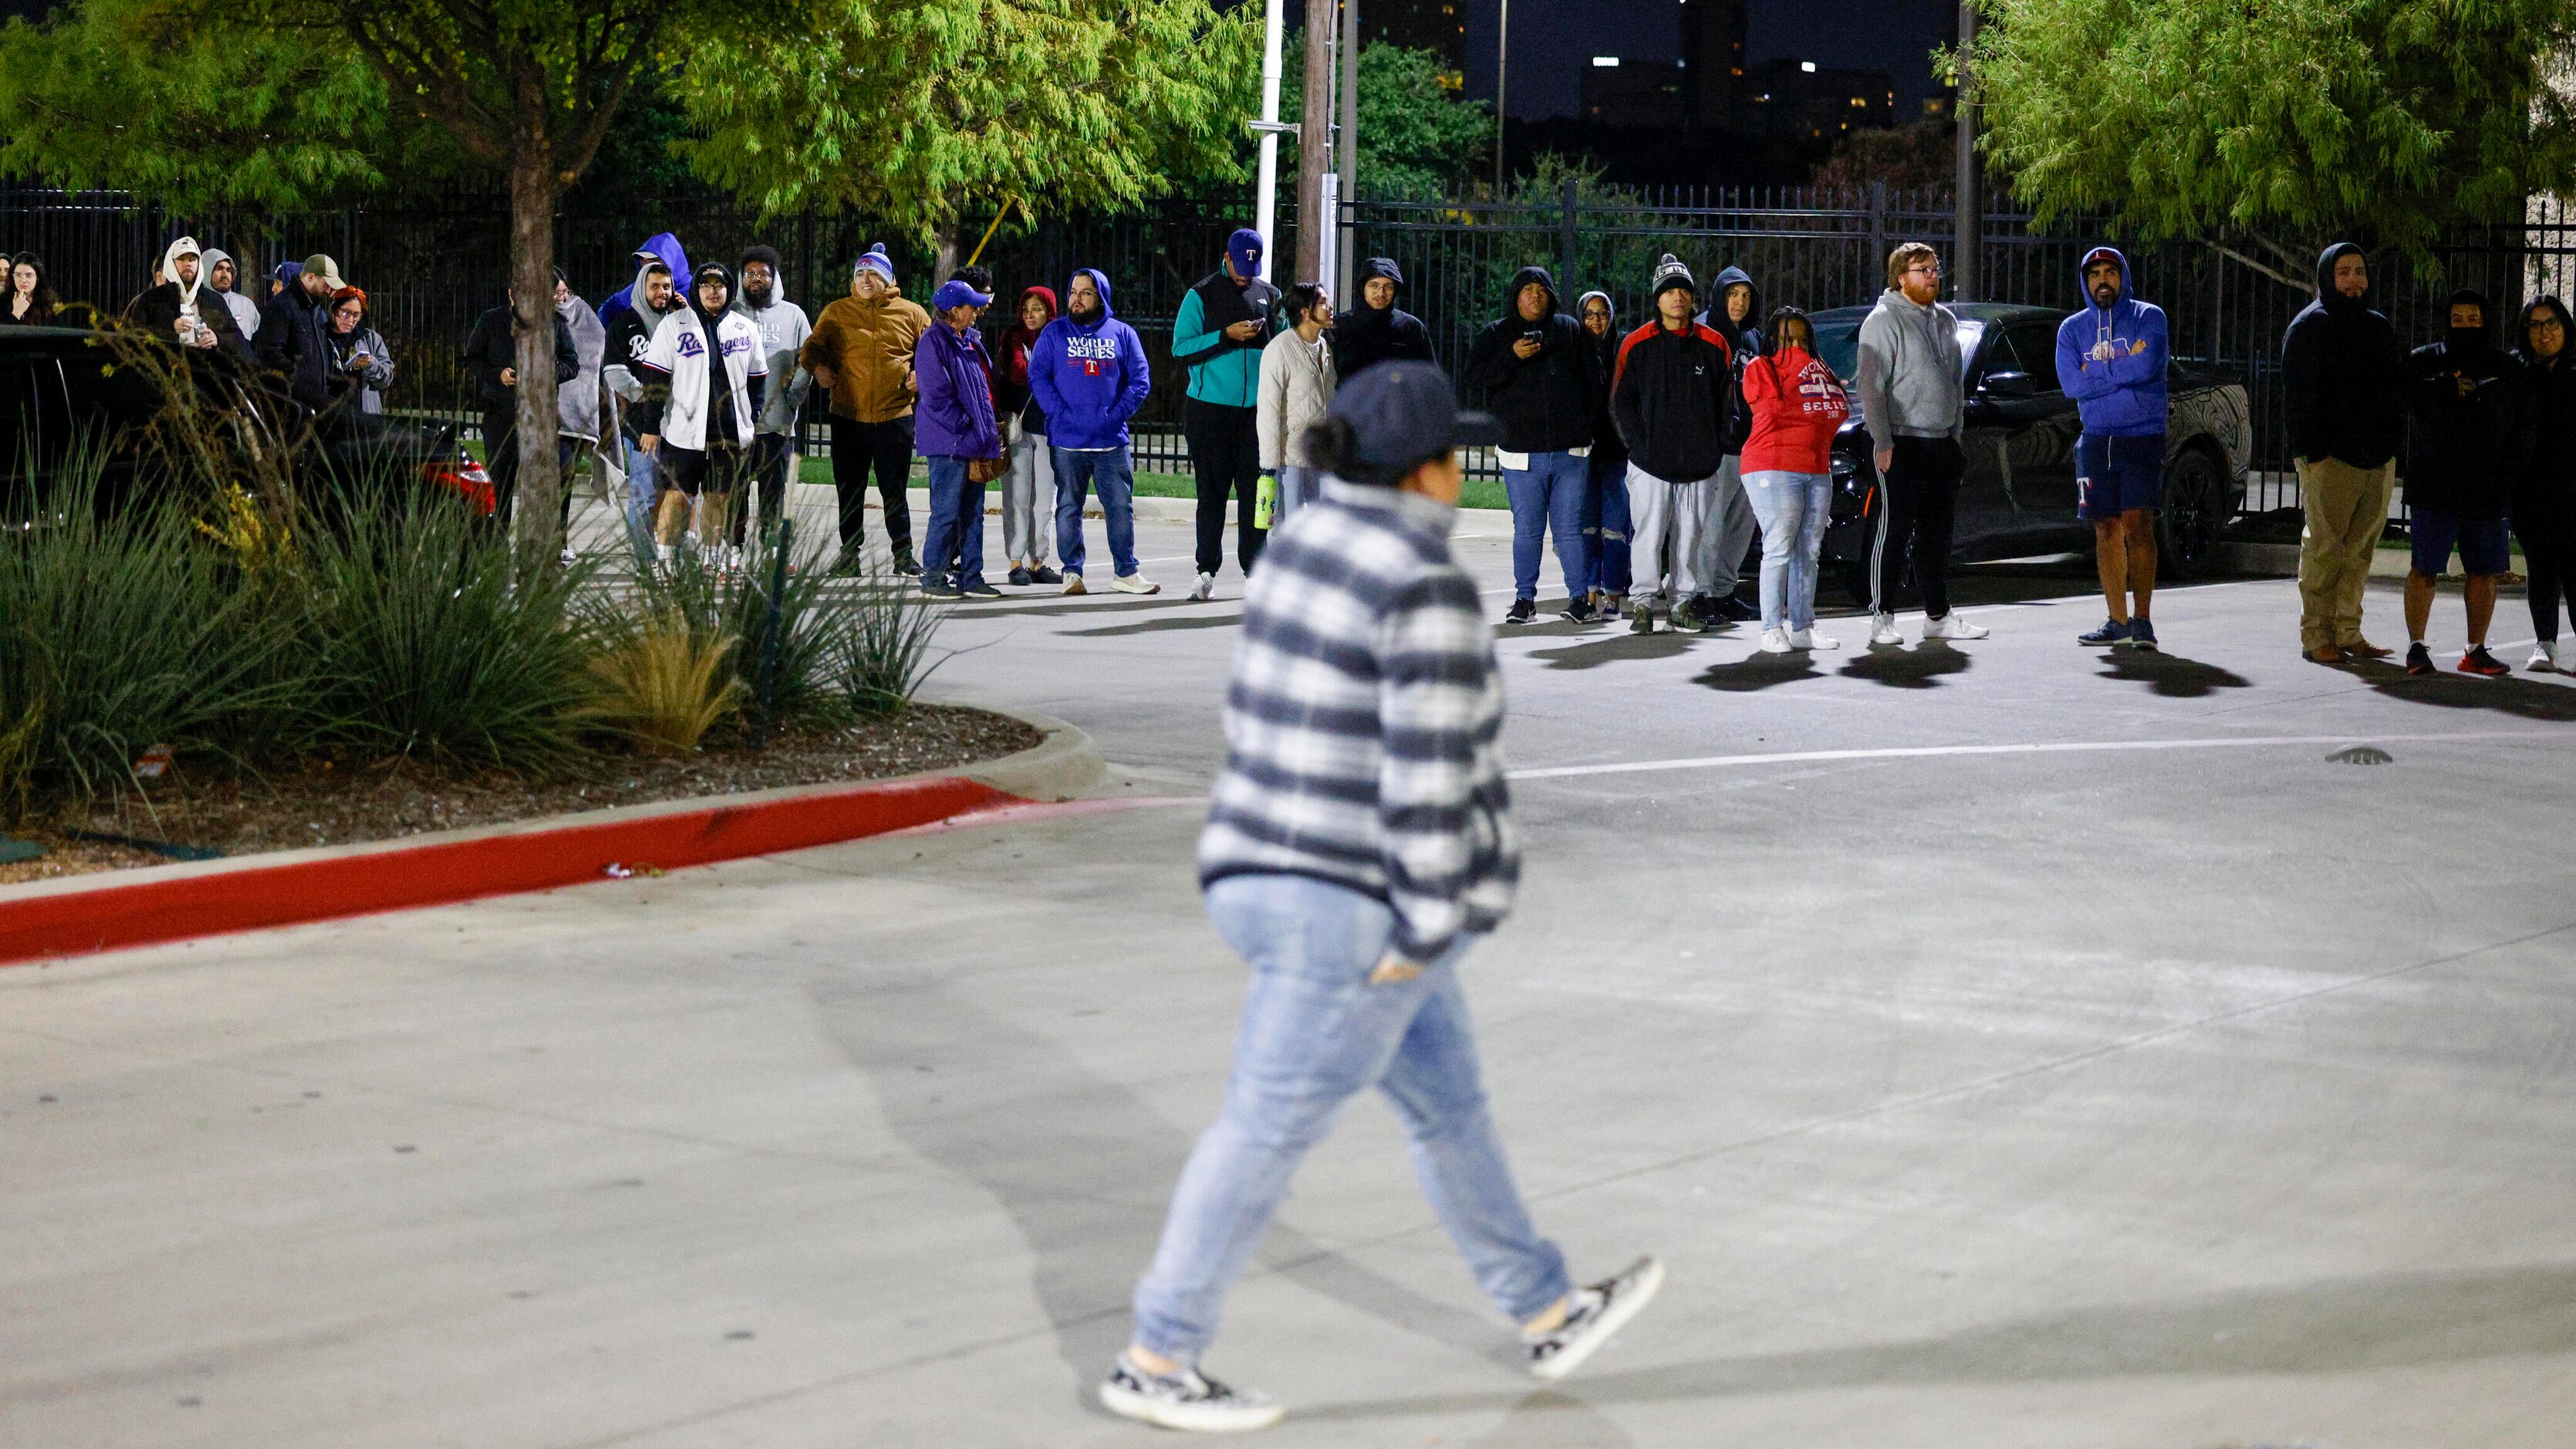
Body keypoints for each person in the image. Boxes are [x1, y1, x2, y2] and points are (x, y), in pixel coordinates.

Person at [1105, 359, 1664, 1433]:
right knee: (1262, 1127)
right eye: (1456, 454)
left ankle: (1544, 1304)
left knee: (1448, 1106)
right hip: (1352, 902)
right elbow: (1432, 772)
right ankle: (1156, 1354)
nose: (1467, 468)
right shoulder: (1423, 581)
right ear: (1423, 471)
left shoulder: (1299, 548)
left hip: (1253, 865)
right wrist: (1423, 925)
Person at [2281, 242, 2406, 664]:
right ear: (2327, 278)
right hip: (2330, 460)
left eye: (2359, 270)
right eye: (2343, 272)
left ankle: (2348, 631)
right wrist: (2312, 455)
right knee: (2324, 549)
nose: (2353, 279)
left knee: (2359, 552)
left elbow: (2394, 389)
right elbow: (2297, 401)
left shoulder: (2378, 327)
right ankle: (2316, 637)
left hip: (2376, 460)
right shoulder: (2309, 327)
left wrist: (2390, 450)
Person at [1855, 242, 1987, 644]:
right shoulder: (1881, 321)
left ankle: (1937, 615)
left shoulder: (1946, 320)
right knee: (1891, 531)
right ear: (1901, 278)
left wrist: (1955, 435)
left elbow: (1954, 383)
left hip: (1940, 444)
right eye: (1923, 269)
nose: (1933, 275)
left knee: (1937, 535)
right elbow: (1871, 388)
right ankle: (1882, 617)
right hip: (1901, 441)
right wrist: (1882, 441)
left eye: (1935, 268)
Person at [2399, 289, 2528, 677]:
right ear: (2447, 320)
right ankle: (2416, 648)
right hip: (2434, 485)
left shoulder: (2505, 367)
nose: (2467, 324)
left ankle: (2476, 650)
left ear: (2485, 320)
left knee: (2485, 572)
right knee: (2425, 568)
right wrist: (2446, 388)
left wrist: (2511, 473)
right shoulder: (2424, 361)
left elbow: (2522, 422)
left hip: (2487, 487)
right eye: (2459, 318)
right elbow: (2403, 397)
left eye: (2474, 318)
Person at [1465, 263, 1595, 624]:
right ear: (1516, 296)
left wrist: (1586, 427)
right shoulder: (1497, 334)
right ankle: (1525, 599)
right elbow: (1474, 377)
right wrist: (1511, 356)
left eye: (1542, 290)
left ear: (1551, 296)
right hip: (1520, 453)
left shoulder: (1569, 330)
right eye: (1528, 290)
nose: (1535, 296)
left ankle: (1579, 598)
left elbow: (1593, 379)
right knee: (1527, 531)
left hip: (1570, 451)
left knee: (1569, 529)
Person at [2055, 246, 2171, 651]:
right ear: (2086, 282)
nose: (2103, 280)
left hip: (2141, 436)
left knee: (2139, 524)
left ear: (2123, 276)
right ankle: (2116, 620)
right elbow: (2071, 385)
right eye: (2095, 274)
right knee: (2105, 527)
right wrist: (2121, 369)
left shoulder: (2149, 317)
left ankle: (2143, 620)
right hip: (2095, 438)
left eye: (2110, 272)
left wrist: (2096, 371)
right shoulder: (2071, 330)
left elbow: (2148, 367)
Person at [1610, 255, 1730, 634]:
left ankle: (1682, 604)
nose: (1677, 297)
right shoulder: (1636, 344)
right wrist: (1637, 446)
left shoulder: (1714, 344)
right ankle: (1643, 606)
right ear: (1657, 300)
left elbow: (1726, 403)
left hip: (1699, 464)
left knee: (1691, 540)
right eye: (1669, 291)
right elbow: (1620, 402)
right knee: (1647, 535)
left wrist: (1713, 449)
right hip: (1649, 464)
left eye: (1684, 290)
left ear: (1693, 299)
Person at [801, 242, 929, 576]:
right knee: (850, 490)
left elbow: (933, 351)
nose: (866, 280)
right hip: (848, 416)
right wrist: (818, 369)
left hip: (895, 416)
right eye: (861, 274)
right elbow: (811, 349)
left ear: (888, 279)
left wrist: (922, 374)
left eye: (874, 274)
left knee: (895, 490)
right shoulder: (836, 312)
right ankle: (848, 556)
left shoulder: (912, 313)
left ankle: (903, 555)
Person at [1029, 267, 1158, 595]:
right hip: (1067, 440)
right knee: (1069, 507)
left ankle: (1126, 572)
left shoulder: (1122, 334)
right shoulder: (1054, 334)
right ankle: (1072, 573)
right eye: (1073, 292)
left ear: (1100, 297)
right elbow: (1039, 377)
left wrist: (1114, 416)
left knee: (1119, 507)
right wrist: (1060, 413)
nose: (1077, 299)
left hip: (1110, 441)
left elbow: (1140, 381)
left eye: (1086, 293)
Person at [634, 263, 767, 569]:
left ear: (728, 290)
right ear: (696, 289)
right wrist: (650, 427)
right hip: (684, 433)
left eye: (718, 286)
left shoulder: (743, 327)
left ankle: (710, 557)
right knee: (677, 497)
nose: (712, 291)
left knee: (719, 498)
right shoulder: (674, 325)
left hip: (729, 434)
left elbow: (759, 378)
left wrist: (751, 415)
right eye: (705, 285)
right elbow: (654, 380)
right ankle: (666, 561)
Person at [1173, 228, 1281, 600]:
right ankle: (1205, 571)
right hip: (1210, 410)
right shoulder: (1199, 294)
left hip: (1256, 414)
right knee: (1212, 494)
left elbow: (1282, 344)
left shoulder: (1269, 295)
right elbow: (1181, 348)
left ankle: (1257, 571)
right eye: (1240, 265)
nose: (1245, 274)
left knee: (1257, 495)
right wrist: (1226, 335)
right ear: (1226, 256)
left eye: (1253, 266)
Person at [1739, 306, 1851, 652]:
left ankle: (1803, 625)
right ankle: (1771, 628)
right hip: (1772, 465)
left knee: (1809, 551)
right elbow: (1773, 410)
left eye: (1803, 339)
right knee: (1779, 547)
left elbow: (1839, 410)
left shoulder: (1820, 371)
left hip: (1816, 468)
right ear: (1772, 340)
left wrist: (1807, 390)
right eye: (1788, 339)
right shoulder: (1761, 368)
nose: (1797, 347)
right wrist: (1803, 386)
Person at [913, 276, 1004, 600]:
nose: (977, 313)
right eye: (972, 308)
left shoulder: (969, 339)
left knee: (972, 513)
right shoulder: (933, 342)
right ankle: (934, 577)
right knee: (947, 512)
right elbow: (936, 397)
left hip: (972, 441)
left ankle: (971, 576)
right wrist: (967, 426)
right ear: (953, 310)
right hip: (950, 443)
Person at [462, 285, 582, 530]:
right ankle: (497, 547)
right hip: (501, 415)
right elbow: (472, 358)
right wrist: (498, 375)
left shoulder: (554, 322)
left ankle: (545, 548)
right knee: (500, 484)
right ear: (510, 294)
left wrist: (547, 372)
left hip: (541, 418)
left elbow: (572, 363)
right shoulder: (491, 320)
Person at [1691, 265, 1764, 623]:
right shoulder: (1704, 330)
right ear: (1720, 296)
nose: (1739, 302)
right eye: (1733, 295)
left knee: (1740, 525)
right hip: (1717, 448)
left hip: (1749, 447)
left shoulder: (1750, 337)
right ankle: (1702, 595)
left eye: (1746, 296)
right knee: (1711, 525)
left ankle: (1724, 591)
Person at [732, 245, 813, 552]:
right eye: (750, 274)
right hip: (736, 422)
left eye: (763, 274)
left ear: (774, 278)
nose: (756, 279)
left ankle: (772, 547)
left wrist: (793, 399)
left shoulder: (793, 315)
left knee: (773, 492)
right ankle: (734, 548)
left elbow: (809, 358)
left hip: (776, 423)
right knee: (735, 489)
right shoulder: (730, 313)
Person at [603, 258, 683, 563]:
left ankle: (670, 556)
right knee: (643, 496)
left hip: (678, 425)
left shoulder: (680, 322)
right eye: (655, 287)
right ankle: (645, 562)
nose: (661, 292)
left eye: (666, 286)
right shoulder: (624, 325)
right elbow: (614, 373)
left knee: (677, 494)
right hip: (640, 426)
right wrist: (648, 397)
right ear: (642, 288)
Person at [2515, 296, 2576, 672]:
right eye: (2536, 325)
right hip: (2531, 489)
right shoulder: (2516, 372)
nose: (2545, 332)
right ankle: (2545, 645)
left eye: (2551, 323)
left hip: (2573, 487)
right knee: (2541, 568)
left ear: (2565, 326)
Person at [994, 284, 1062, 586]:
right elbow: (1018, 372)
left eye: (1038, 309)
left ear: (1050, 311)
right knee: (1017, 496)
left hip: (1049, 428)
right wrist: (1048, 370)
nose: (1031, 315)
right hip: (1018, 428)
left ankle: (1038, 560)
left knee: (1045, 499)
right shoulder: (1013, 336)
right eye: (1026, 309)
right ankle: (1016, 560)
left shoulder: (1060, 335)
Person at [1255, 281, 1335, 529]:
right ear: (1304, 312)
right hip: (1290, 460)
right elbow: (1268, 411)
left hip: (1320, 457)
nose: (1330, 307)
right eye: (1322, 303)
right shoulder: (1279, 350)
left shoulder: (1324, 347)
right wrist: (1268, 467)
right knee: (1288, 529)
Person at [1576, 289, 1632, 618]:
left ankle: (1613, 597)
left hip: (1617, 452)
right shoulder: (1575, 350)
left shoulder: (1622, 349)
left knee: (1616, 528)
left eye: (1602, 313)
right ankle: (1589, 594)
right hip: (1581, 453)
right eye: (1590, 314)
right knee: (1587, 528)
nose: (1596, 320)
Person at [554, 271, 607, 565]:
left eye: (565, 293)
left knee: (564, 483)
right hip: (548, 416)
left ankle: (559, 541)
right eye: (555, 294)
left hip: (575, 418)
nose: (562, 300)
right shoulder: (535, 319)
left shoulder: (582, 313)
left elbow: (595, 351)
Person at [125, 236, 248, 357]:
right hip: (163, 371)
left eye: (192, 259)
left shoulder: (214, 300)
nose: (188, 263)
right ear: (171, 264)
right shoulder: (151, 299)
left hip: (205, 372)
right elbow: (132, 335)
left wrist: (217, 339)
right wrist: (169, 329)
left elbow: (238, 339)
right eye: (181, 259)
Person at [1329, 255, 1436, 379]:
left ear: (1395, 291)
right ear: (1362, 287)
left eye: (1388, 287)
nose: (1381, 293)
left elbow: (1428, 376)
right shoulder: (1340, 325)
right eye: (1374, 286)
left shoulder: (1411, 327)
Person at [258, 255, 342, 410]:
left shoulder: (314, 309)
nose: (330, 291)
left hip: (310, 402)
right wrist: (300, 380)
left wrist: (330, 380)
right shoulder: (281, 306)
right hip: (291, 406)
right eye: (327, 285)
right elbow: (269, 355)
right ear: (311, 277)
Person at [596, 233, 690, 339]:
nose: (648, 265)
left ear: (672, 259)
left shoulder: (697, 291)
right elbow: (608, 309)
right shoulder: (638, 288)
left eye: (655, 261)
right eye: (644, 261)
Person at [321, 287, 394, 414]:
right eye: (346, 312)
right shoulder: (321, 336)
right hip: (330, 412)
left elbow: (386, 380)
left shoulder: (370, 339)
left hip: (363, 413)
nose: (350, 320)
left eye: (356, 315)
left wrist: (371, 364)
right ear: (334, 310)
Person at [200, 249, 261, 339]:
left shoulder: (246, 305)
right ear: (206, 271)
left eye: (229, 270)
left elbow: (260, 339)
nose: (225, 275)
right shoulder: (195, 303)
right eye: (219, 269)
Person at [2, 253, 58, 326]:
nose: (23, 280)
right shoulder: (3, 301)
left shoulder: (50, 302)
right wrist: (16, 313)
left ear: (38, 278)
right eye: (18, 275)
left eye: (28, 275)